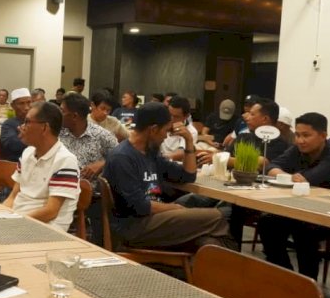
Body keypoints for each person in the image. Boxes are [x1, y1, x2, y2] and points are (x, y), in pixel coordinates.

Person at [102, 103, 236, 251]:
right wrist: (176, 208)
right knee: (217, 217)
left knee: (208, 242)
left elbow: (187, 175)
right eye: (165, 131)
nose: (166, 137)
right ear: (153, 130)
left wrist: (189, 142)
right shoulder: (122, 157)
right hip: (134, 227)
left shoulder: (150, 153)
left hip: (153, 219)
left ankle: (228, 271)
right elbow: (140, 206)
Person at [259, 112, 330, 280]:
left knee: (303, 229)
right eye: (297, 135)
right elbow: (272, 166)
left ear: (323, 136)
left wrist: (291, 176)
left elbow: (308, 179)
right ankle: (287, 277)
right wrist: (289, 176)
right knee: (267, 222)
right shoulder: (298, 150)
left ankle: (308, 281)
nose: (300, 140)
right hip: (307, 208)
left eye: (306, 135)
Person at [3, 102, 80, 231]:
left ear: (44, 128)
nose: (21, 127)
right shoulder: (28, 153)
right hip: (19, 222)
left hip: (45, 229)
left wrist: (14, 223)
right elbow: (13, 196)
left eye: (27, 122)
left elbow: (50, 211)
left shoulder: (65, 161)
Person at [198, 97, 288, 168]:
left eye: (252, 114)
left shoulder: (279, 143)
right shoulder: (243, 137)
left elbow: (261, 163)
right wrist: (211, 155)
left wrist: (220, 159)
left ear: (265, 119)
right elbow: (226, 154)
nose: (247, 118)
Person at [59, 92, 117, 180]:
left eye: (62, 111)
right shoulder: (56, 133)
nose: (59, 114)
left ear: (74, 116)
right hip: (59, 187)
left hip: (91, 190)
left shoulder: (100, 135)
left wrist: (102, 164)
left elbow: (121, 158)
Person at [160, 96, 198, 161]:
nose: (171, 119)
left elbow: (181, 153)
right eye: (169, 114)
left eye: (176, 116)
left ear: (186, 116)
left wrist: (160, 159)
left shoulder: (191, 131)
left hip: (176, 164)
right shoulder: (159, 124)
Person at [0, 88, 30, 162]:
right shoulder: (8, 124)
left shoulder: (38, 122)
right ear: (13, 106)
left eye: (29, 102)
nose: (26, 107)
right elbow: (12, 145)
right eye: (21, 103)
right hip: (17, 164)